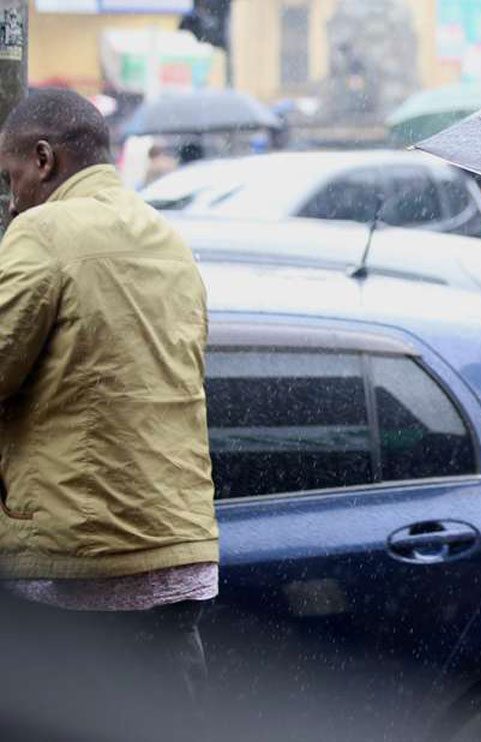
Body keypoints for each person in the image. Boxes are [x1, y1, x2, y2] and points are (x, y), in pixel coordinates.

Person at [0, 90, 217, 734]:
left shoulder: (41, 230)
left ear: (44, 159)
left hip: (81, 562)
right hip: (179, 560)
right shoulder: (167, 239)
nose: (11, 198)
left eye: (9, 177)